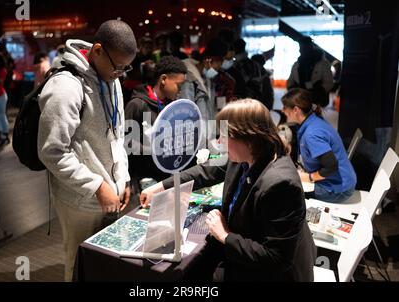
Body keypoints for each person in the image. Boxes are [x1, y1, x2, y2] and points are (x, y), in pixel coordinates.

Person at [140, 99, 316, 281]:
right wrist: (161, 187)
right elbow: (206, 170)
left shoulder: (280, 184)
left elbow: (276, 258)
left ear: (249, 138)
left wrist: (225, 235)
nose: (219, 142)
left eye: (224, 135)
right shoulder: (250, 155)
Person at [37, 20, 137, 281]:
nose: (121, 73)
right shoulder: (65, 86)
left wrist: (122, 177)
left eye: (127, 68)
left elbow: (117, 135)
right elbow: (52, 151)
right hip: (79, 200)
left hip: (110, 192)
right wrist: (97, 185)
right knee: (80, 263)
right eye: (118, 66)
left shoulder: (112, 78)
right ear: (98, 50)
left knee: (106, 260)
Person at [281, 88, 356, 203]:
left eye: (285, 107)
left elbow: (331, 167)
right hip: (342, 182)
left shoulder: (311, 134)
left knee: (285, 190)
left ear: (296, 109)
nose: (282, 110)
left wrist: (309, 177)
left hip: (337, 189)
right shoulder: (313, 121)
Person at [125, 55, 187, 185]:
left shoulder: (173, 106)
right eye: (179, 85)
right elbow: (126, 144)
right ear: (163, 79)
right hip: (143, 179)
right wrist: (153, 150)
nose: (181, 90)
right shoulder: (137, 105)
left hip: (167, 176)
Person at [287, 37, 333, 107]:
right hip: (300, 101)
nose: (301, 50)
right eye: (300, 47)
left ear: (310, 47)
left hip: (317, 102)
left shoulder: (323, 63)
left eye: (304, 47)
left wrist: (318, 91)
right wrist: (293, 91)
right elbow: (290, 81)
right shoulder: (297, 64)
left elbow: (329, 83)